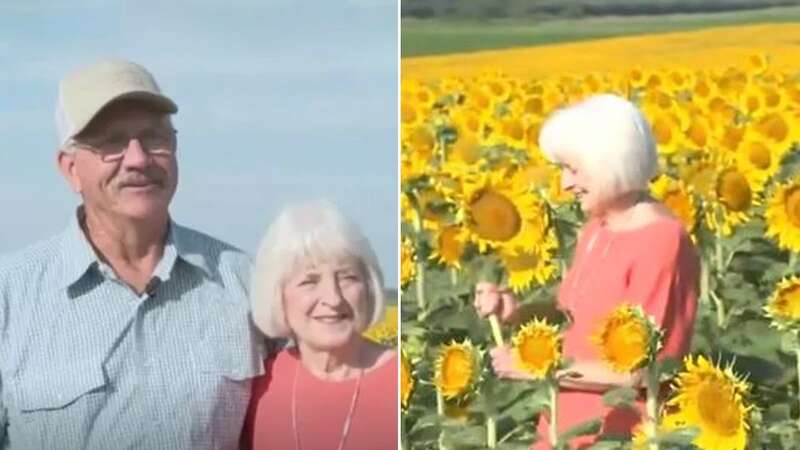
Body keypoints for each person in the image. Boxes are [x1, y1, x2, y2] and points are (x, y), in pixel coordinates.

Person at [0, 60, 265, 449]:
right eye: (112, 142)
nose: (138, 159)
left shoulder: (246, 283)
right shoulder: (11, 294)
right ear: (70, 169)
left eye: (155, 138)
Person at [474, 94, 700, 449]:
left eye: (573, 169)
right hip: (563, 431)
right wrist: (516, 312)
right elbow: (574, 324)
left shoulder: (661, 241)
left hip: (621, 436)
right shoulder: (597, 228)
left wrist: (539, 366)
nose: (564, 184)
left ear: (611, 164)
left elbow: (641, 372)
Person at [244, 200, 397, 450]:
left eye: (347, 278)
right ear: (277, 294)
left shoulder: (400, 378)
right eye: (309, 281)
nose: (333, 298)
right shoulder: (259, 384)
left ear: (368, 287)